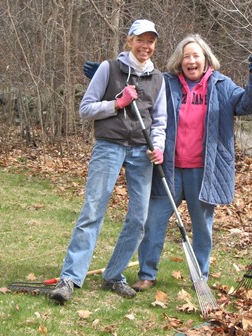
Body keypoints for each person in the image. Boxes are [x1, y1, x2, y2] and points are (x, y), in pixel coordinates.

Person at [82, 34, 252, 292]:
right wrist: (106, 79)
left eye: (196, 56)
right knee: (153, 222)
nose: (191, 61)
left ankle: (200, 275)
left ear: (206, 59)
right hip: (166, 168)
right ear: (179, 60)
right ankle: (147, 273)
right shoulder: (166, 83)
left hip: (203, 170)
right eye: (186, 56)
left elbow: (248, 104)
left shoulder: (221, 85)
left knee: (202, 226)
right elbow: (139, 93)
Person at [49, 19, 167, 304]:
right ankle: (70, 277)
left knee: (139, 218)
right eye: (141, 39)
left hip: (142, 151)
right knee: (93, 209)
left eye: (151, 41)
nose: (145, 46)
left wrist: (159, 146)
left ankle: (114, 275)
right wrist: (117, 104)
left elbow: (160, 121)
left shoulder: (158, 79)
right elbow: (85, 109)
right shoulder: (109, 68)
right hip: (110, 145)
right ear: (129, 41)